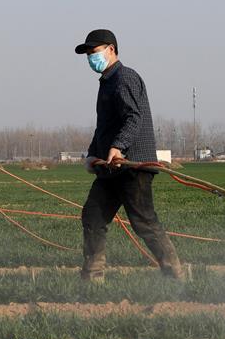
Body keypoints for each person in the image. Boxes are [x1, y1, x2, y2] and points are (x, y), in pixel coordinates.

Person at [76, 29, 184, 281]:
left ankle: (175, 277)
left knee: (143, 221)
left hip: (133, 167)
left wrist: (119, 147)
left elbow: (133, 117)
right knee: (93, 216)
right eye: (88, 54)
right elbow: (103, 128)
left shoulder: (125, 78)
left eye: (94, 51)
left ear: (111, 49)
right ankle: (92, 279)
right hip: (111, 169)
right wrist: (93, 155)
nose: (90, 57)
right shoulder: (106, 82)